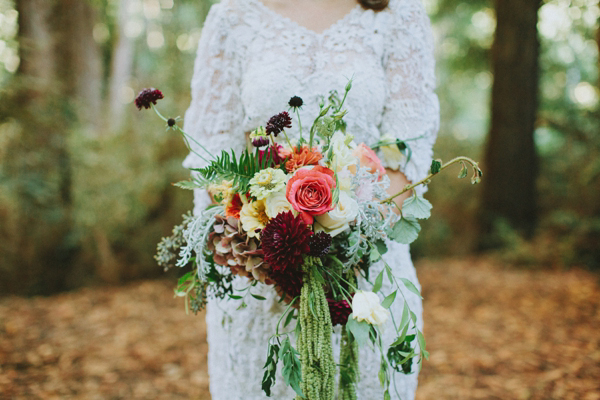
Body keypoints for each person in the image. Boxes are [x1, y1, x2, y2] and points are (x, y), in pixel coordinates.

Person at [182, 0, 439, 398]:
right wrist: (268, 243)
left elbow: (409, 150)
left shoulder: (400, 13)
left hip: (368, 280)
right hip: (261, 278)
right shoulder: (233, 15)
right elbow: (212, 153)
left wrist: (344, 243)